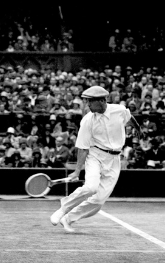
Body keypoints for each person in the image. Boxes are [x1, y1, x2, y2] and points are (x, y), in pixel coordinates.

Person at [49, 86, 138, 233]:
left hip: (115, 160)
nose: (87, 105)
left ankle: (69, 218)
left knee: (98, 201)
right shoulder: (87, 120)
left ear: (102, 101)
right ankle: (62, 210)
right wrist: (77, 171)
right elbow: (83, 147)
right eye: (87, 101)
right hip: (95, 156)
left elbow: (129, 118)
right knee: (91, 187)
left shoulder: (119, 110)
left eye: (90, 102)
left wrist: (138, 129)